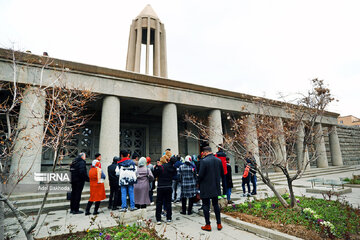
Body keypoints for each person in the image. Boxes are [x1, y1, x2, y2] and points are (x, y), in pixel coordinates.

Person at [198, 146, 224, 231]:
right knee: (216, 205)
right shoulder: (218, 160)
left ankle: (208, 225)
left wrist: (197, 181)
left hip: (205, 186)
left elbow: (201, 175)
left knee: (206, 205)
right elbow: (222, 173)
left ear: (205, 152)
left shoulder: (204, 161)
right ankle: (219, 224)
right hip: (215, 186)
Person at [153, 153, 176, 224]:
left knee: (159, 202)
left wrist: (156, 167)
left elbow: (155, 175)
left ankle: (158, 219)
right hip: (169, 186)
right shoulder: (172, 168)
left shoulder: (161, 167)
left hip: (161, 186)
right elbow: (174, 175)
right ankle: (169, 218)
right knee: (168, 202)